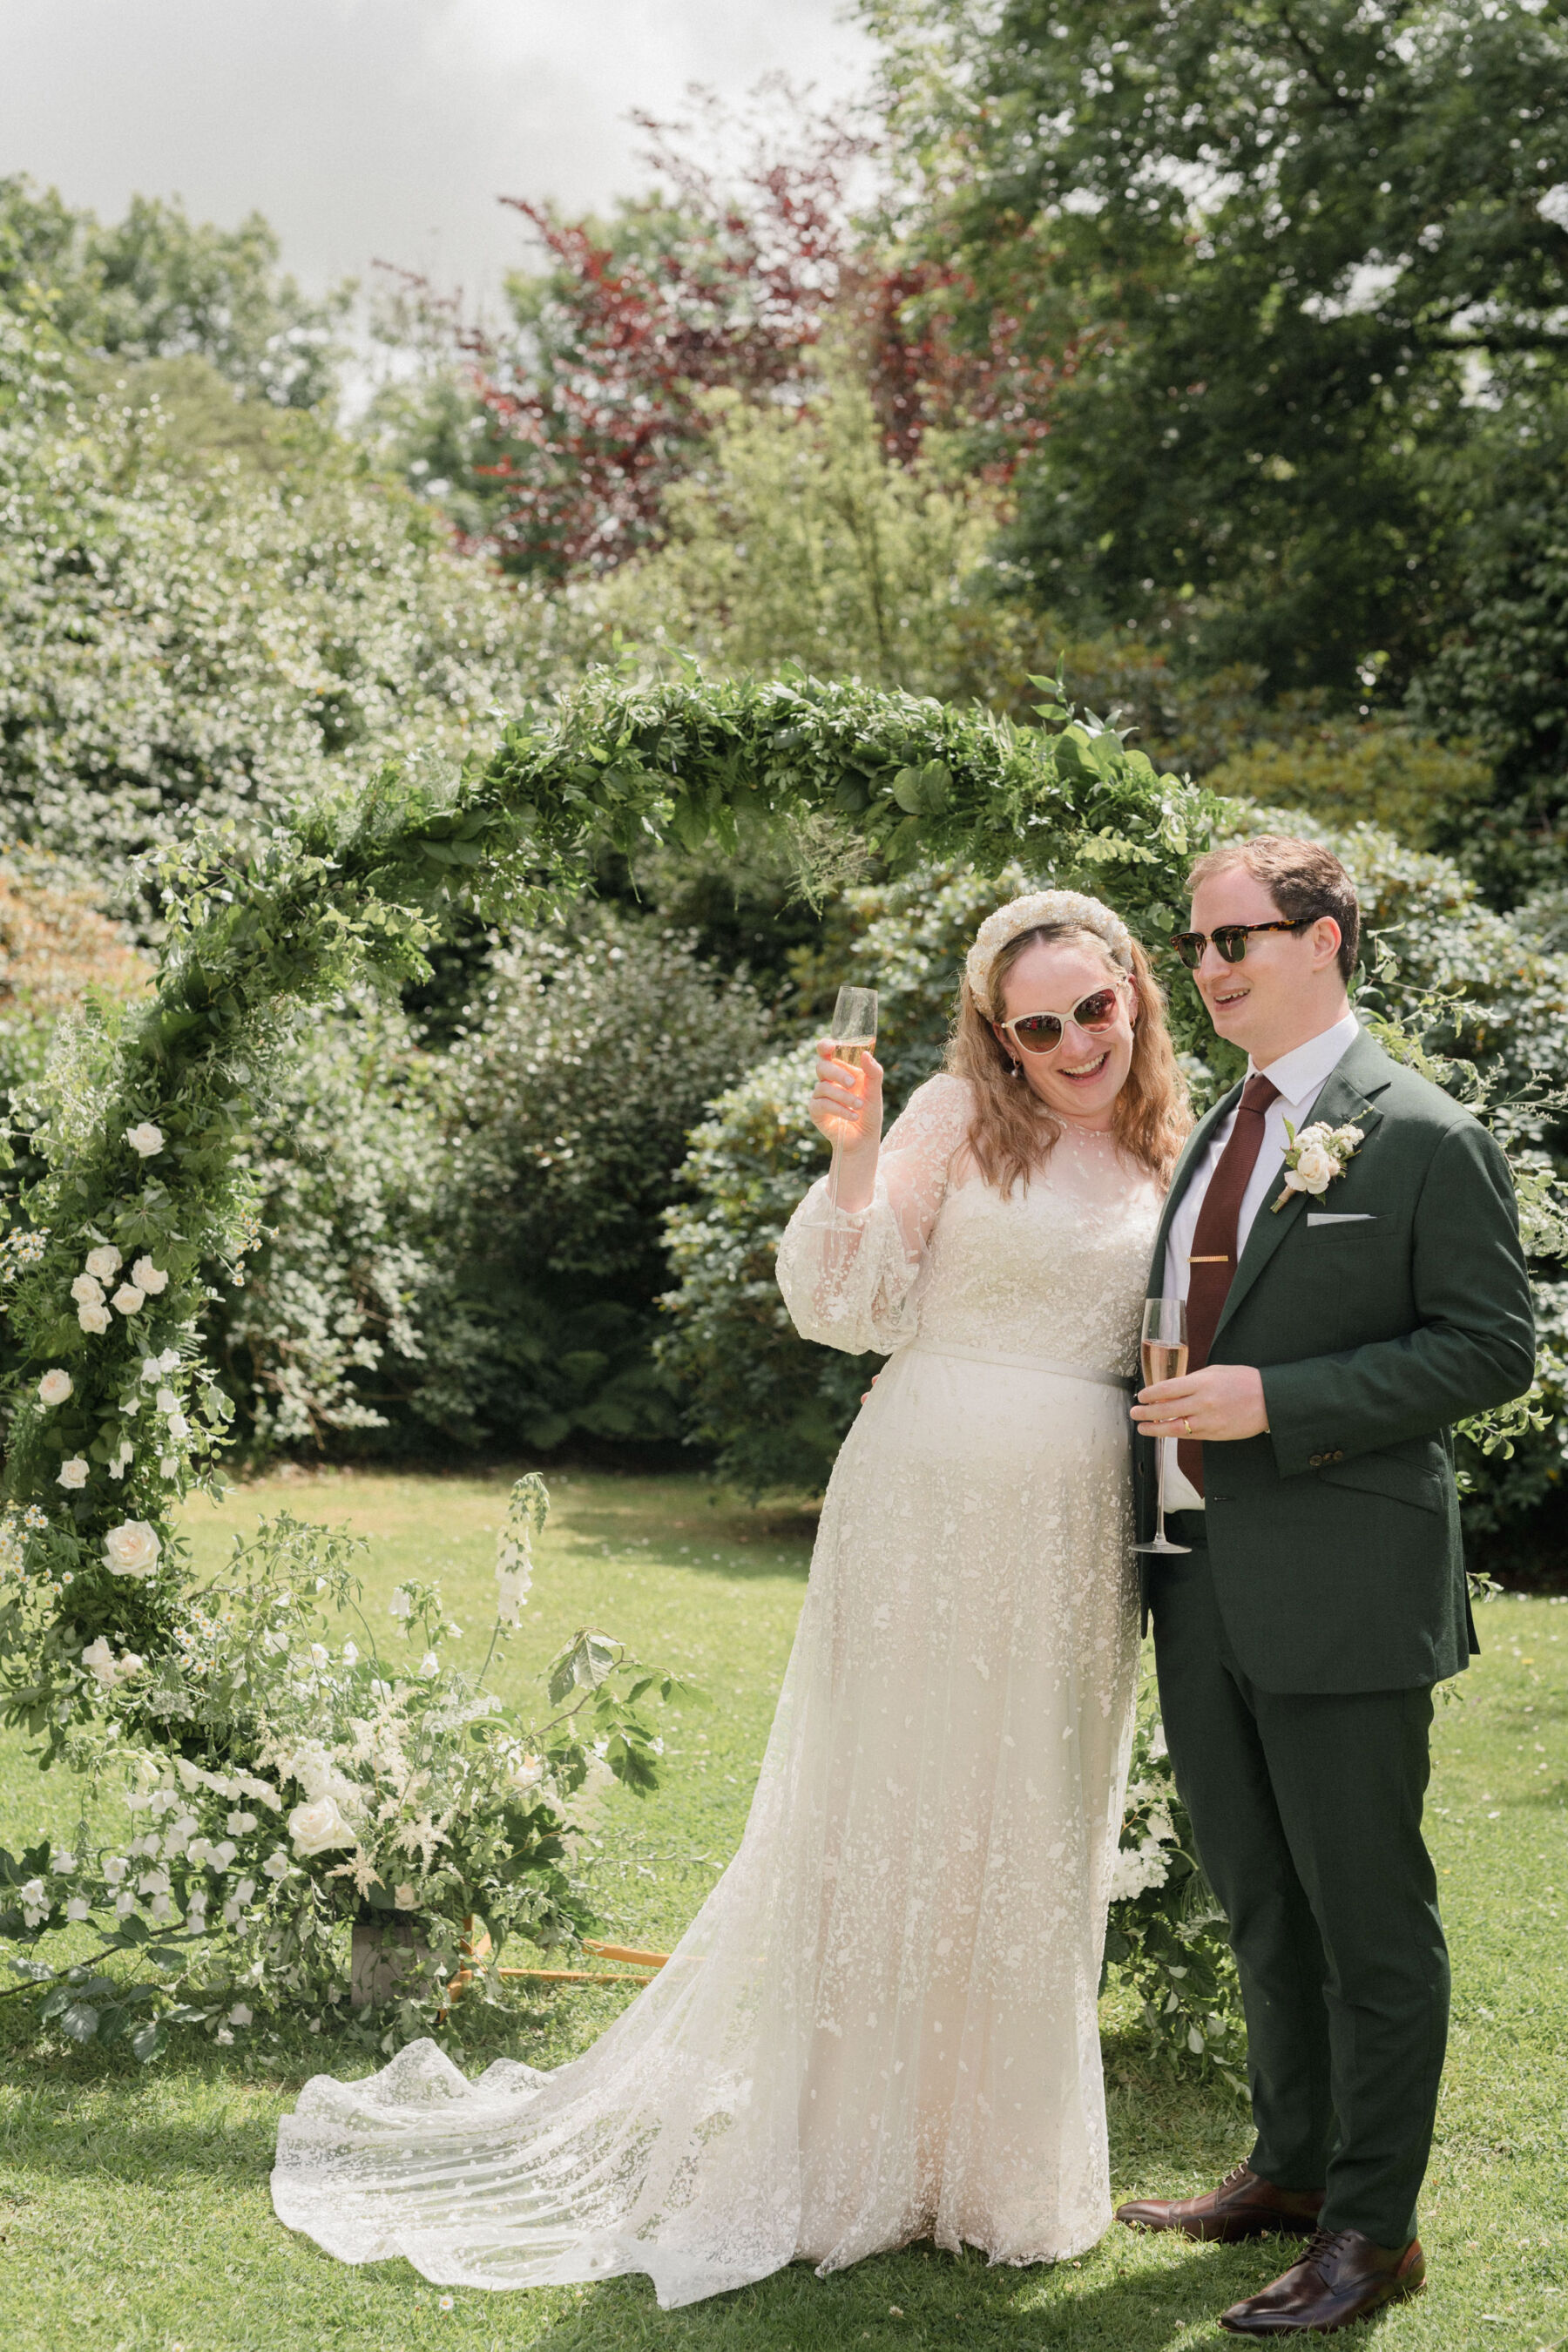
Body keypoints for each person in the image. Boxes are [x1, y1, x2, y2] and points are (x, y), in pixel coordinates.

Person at [270, 889, 1189, 2307]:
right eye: (1039, 1025)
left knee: (1030, 1811)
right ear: (998, 1041)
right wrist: (856, 1157)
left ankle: (992, 2171)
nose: (1075, 1041)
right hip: (923, 1496)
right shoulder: (953, 1114)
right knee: (890, 1804)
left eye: (1096, 1007)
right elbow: (847, 1305)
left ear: (1137, 990)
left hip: (1073, 1519)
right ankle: (848, 2155)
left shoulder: (1174, 1147)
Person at [1120, 836, 1535, 2338]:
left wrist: (1275, 1401)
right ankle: (1288, 2172)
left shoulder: (1420, 1131)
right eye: (1202, 943)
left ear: (1327, 938)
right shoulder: (1217, 1128)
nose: (1212, 967)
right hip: (1197, 1575)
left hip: (1345, 1582)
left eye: (1239, 938)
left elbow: (1494, 1350)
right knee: (1258, 1900)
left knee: (1368, 1917)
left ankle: (1375, 2229)